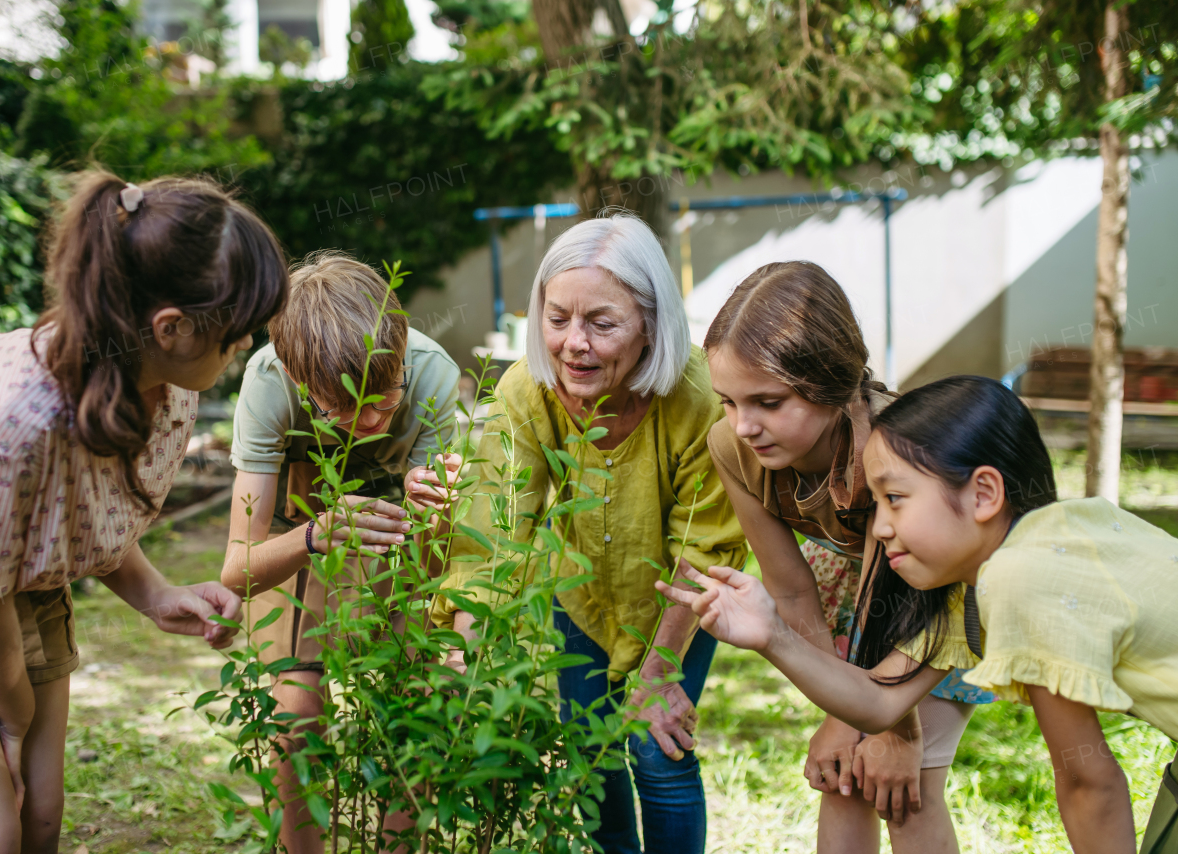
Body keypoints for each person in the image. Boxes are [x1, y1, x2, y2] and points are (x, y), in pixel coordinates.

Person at [0, 172, 288, 853]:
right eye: (240, 335)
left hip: (6, 579)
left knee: (40, 815)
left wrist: (155, 594)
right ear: (172, 328)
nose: (246, 352)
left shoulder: (166, 387)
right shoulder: (5, 423)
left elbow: (81, 514)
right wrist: (13, 718)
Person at [658, 375, 1178, 854]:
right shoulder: (1005, 568)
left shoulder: (1023, 580)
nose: (879, 529)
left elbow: (1090, 782)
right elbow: (878, 702)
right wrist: (772, 634)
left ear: (983, 493)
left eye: (896, 499)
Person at [431, 213, 748, 854]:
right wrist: (463, 650)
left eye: (601, 324)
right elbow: (495, 523)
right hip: (579, 598)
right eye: (556, 319)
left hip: (676, 605)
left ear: (651, 325)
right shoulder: (528, 391)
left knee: (658, 755)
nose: (573, 343)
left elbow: (704, 547)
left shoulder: (699, 398)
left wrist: (658, 673)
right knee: (589, 764)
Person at [700, 261, 989, 851]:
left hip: (937, 594)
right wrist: (839, 713)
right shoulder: (730, 445)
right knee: (844, 779)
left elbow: (907, 597)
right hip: (849, 590)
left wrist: (892, 732)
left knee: (903, 790)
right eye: (727, 401)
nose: (744, 425)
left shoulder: (895, 450)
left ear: (832, 383)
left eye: (769, 402)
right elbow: (791, 588)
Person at [219, 250, 462, 854]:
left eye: (387, 399)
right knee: (295, 714)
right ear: (301, 383)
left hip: (398, 542)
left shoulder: (431, 374)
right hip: (300, 537)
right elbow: (237, 571)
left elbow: (439, 559)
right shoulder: (268, 385)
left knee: (423, 703)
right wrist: (314, 535)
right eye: (348, 409)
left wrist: (433, 502)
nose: (376, 421)